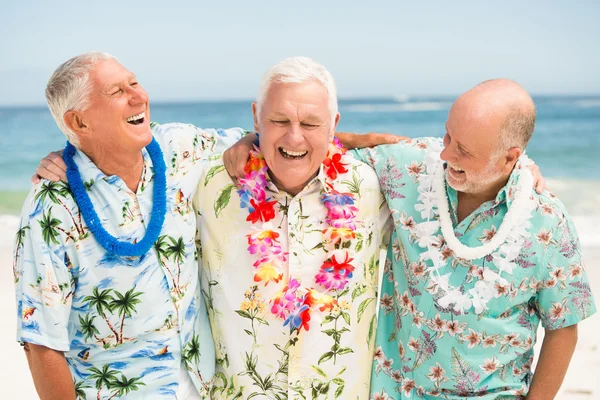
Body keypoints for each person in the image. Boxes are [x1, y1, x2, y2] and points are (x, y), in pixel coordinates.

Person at [13, 52, 248, 399]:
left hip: (202, 387)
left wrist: (351, 140)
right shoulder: (53, 207)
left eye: (134, 83)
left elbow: (273, 141)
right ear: (79, 123)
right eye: (116, 91)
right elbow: (41, 343)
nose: (138, 96)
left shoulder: (176, 148)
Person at [353, 79, 596, 399]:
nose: (445, 153)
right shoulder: (409, 167)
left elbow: (563, 326)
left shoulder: (547, 222)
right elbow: (310, 146)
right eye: (448, 135)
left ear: (510, 159)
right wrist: (358, 138)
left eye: (463, 150)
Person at [194, 56, 392, 399]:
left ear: (334, 124)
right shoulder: (209, 184)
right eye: (278, 119)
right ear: (256, 117)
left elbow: (452, 157)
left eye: (311, 123)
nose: (295, 136)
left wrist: (363, 138)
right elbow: (144, 151)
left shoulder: (372, 187)